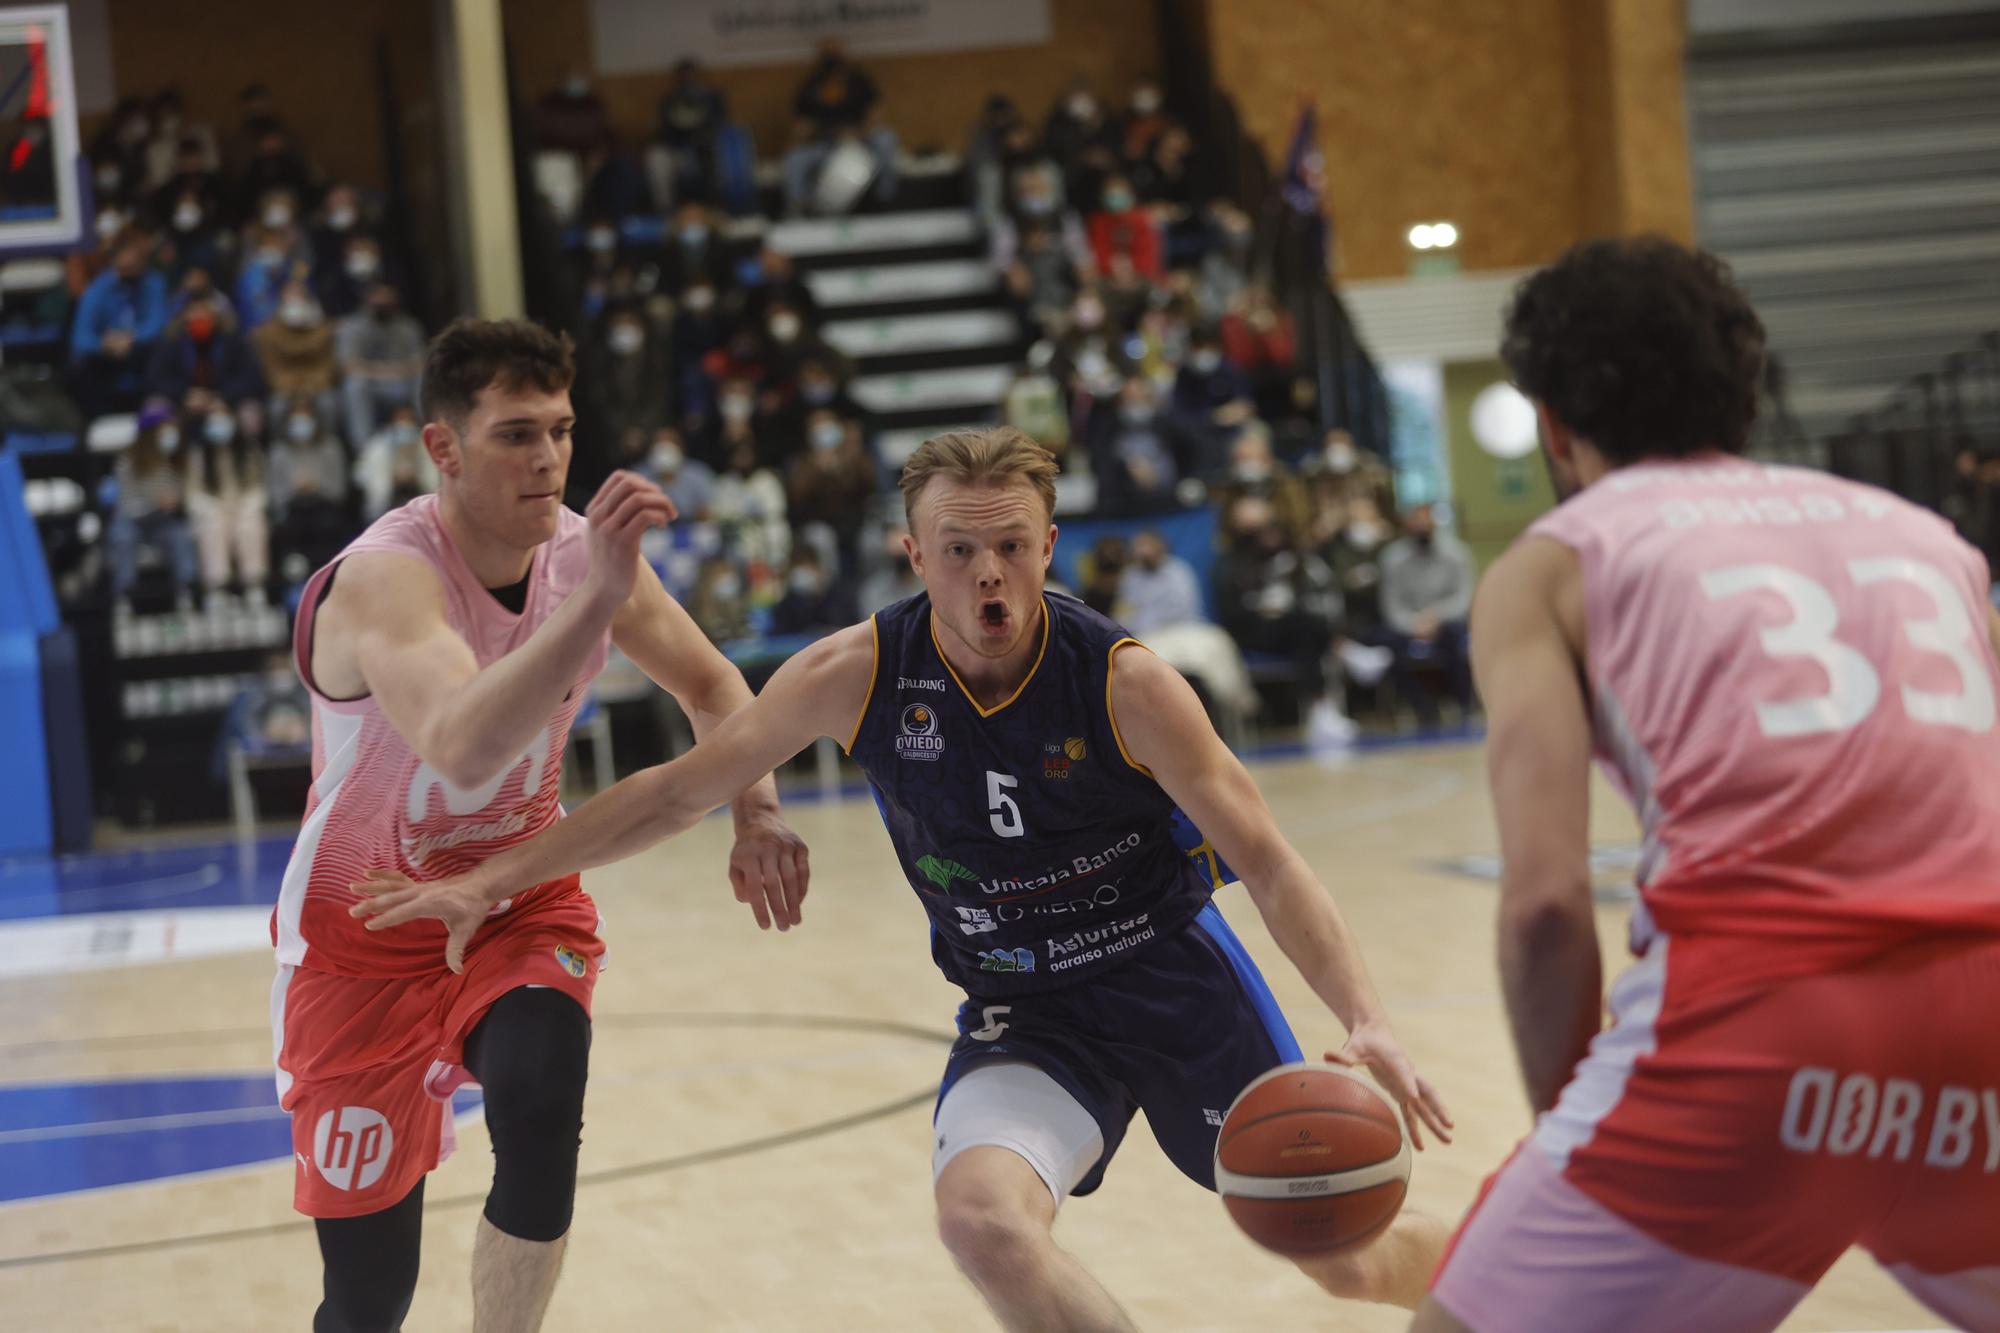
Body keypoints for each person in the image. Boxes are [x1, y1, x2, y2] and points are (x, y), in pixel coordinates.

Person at [350, 426, 1454, 1328]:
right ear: (912, 554)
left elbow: (1264, 858)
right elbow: (678, 789)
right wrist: (495, 877)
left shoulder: (1126, 685)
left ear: (1050, 547)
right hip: (1024, 1009)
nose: (989, 573)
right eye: (960, 550)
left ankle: (1510, 1294)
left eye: (1011, 547)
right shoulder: (855, 673)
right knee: (982, 1222)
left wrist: (1366, 1017)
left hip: (1173, 985)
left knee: (1345, 1263)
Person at [1418, 236, 2000, 1331]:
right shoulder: (1931, 540)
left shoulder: (1555, 560)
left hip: (1756, 1027)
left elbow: (1544, 904)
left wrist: (1573, 1143)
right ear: (1741, 393)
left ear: (1550, 422)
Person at [269, 318, 806, 1333]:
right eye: (516, 433)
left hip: (518, 893)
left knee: (541, 1093)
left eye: (560, 429)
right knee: (369, 1294)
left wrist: (758, 811)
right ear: (443, 447)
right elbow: (461, 745)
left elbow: (711, 682)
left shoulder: (579, 554)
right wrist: (593, 598)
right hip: (363, 932)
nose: (549, 457)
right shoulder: (387, 577)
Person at [1378, 504, 1475, 726]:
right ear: (1406, 526)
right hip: (1408, 624)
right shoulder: (1392, 558)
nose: (1421, 527)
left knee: (1456, 638)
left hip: (1446, 622)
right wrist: (1414, 624)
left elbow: (1462, 597)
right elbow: (1391, 605)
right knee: (1388, 644)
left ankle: (1463, 703)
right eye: (1415, 522)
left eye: (1425, 521)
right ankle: (1423, 707)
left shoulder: (1457, 553)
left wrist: (1436, 618)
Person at [72, 228, 169, 416]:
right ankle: (95, 421)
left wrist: (131, 339)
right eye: (124, 269)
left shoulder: (153, 282)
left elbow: (157, 323)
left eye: (134, 266)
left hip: (141, 353)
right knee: (80, 367)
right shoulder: (98, 290)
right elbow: (80, 337)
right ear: (114, 262)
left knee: (164, 349)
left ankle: (156, 411)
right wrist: (104, 344)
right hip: (106, 358)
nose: (129, 272)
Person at [338, 283, 426, 448]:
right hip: (373, 385)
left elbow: (419, 363)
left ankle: (428, 435)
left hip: (402, 384)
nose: (382, 304)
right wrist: (390, 370)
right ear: (367, 301)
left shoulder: (408, 326)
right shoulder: (354, 326)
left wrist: (376, 369)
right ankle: (364, 448)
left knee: (423, 378)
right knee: (354, 385)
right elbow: (349, 366)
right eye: (377, 299)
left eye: (386, 299)